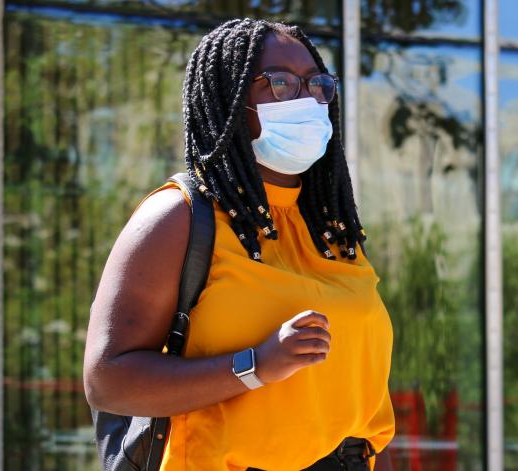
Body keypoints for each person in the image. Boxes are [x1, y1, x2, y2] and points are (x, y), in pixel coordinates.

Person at [83, 18, 395, 471]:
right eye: (282, 83)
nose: (307, 100)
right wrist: (255, 366)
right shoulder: (180, 216)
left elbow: (366, 413)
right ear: (230, 99)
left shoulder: (333, 228)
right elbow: (109, 381)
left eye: (317, 85)